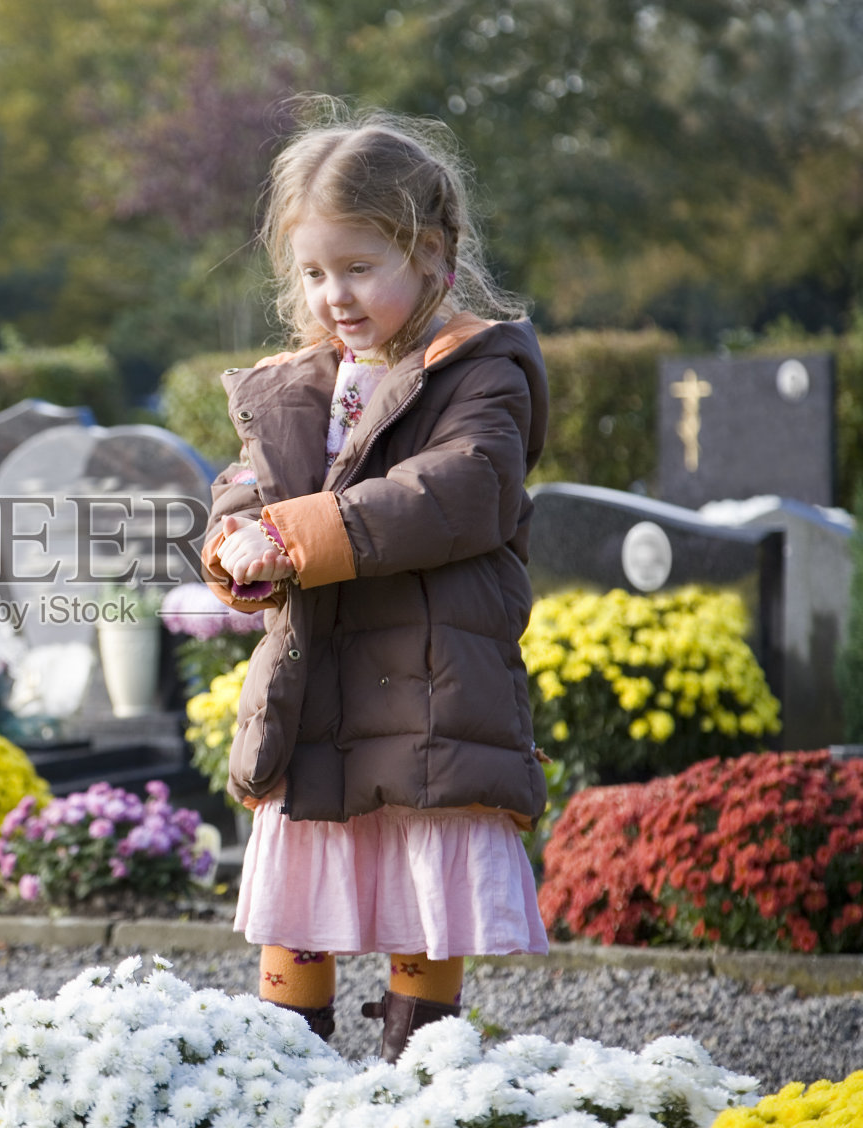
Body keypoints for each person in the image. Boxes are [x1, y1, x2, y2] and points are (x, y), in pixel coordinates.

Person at [200, 100, 551, 1063]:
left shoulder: (481, 370)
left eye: (360, 268)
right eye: (313, 273)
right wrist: (235, 542)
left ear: (433, 255)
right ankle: (284, 1060)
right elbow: (246, 486)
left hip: (432, 681)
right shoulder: (297, 380)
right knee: (303, 877)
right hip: (318, 684)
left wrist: (295, 532)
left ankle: (419, 1063)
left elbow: (458, 490)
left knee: (417, 878)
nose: (333, 296)